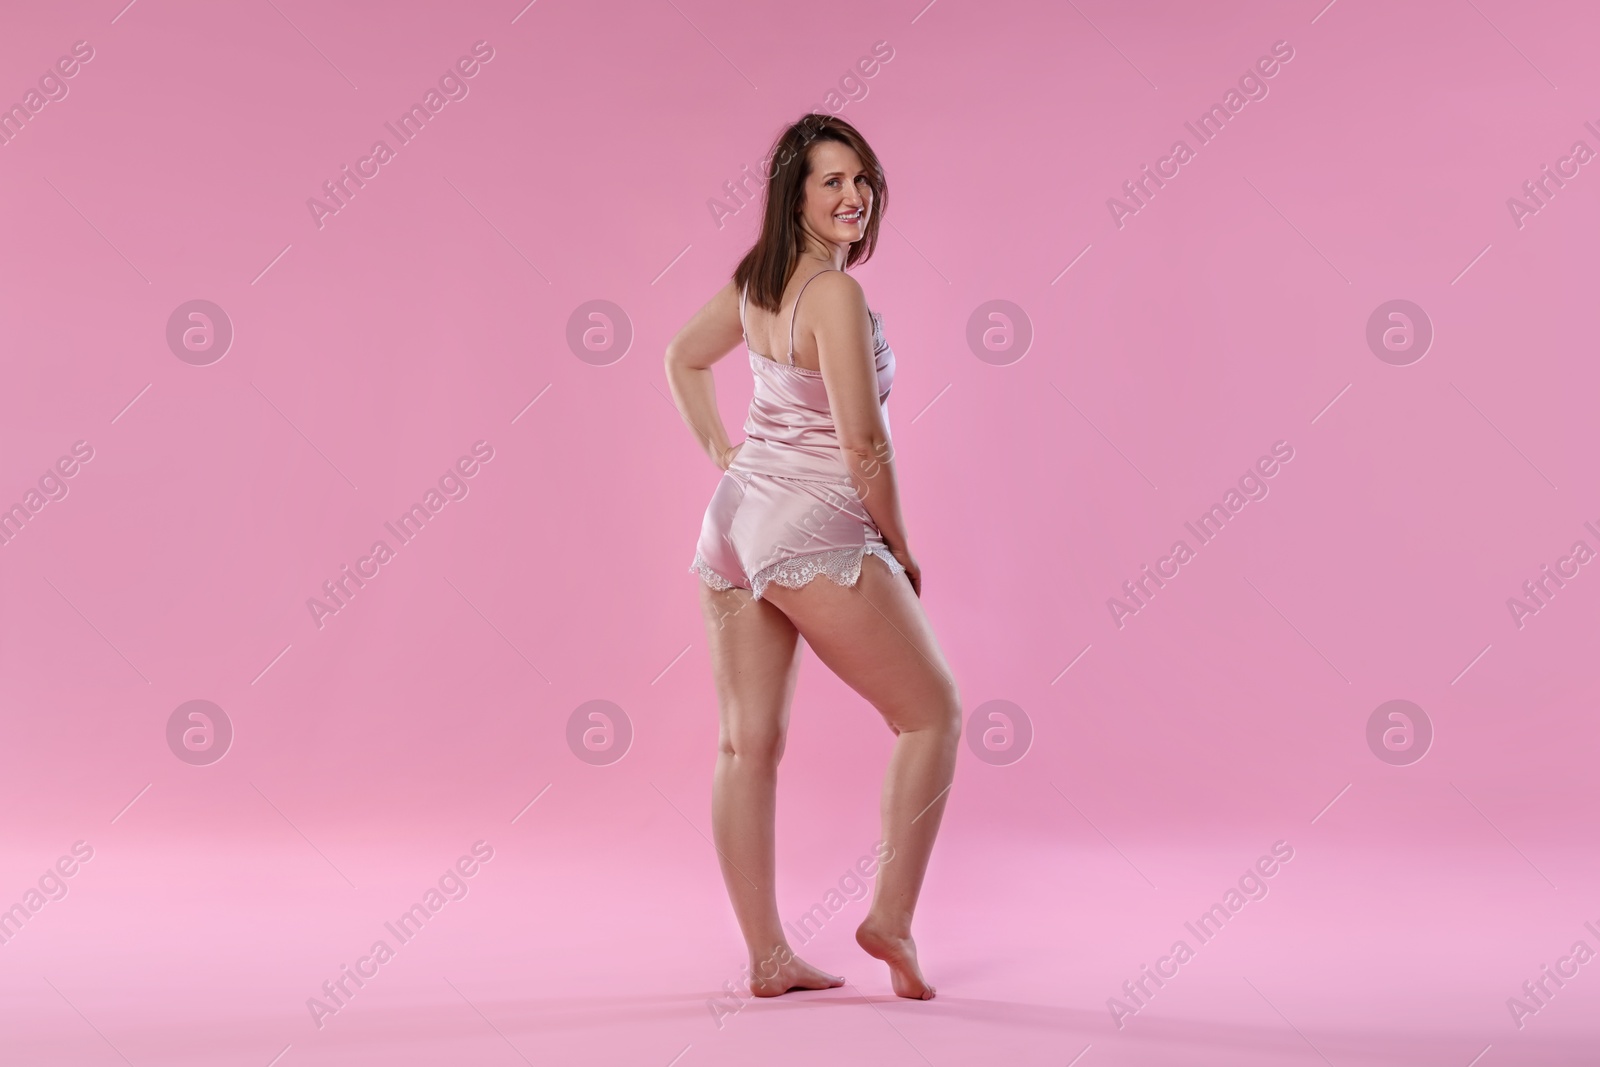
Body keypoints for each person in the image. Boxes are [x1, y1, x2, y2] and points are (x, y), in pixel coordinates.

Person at [664, 113, 961, 1001]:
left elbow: (683, 358)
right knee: (933, 715)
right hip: (810, 525)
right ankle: (891, 918)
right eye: (832, 181)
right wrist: (899, 544)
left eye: (862, 180)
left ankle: (767, 957)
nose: (853, 197)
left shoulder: (758, 283)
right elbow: (864, 444)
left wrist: (725, 454)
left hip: (735, 522)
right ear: (794, 194)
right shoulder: (833, 296)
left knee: (745, 744)